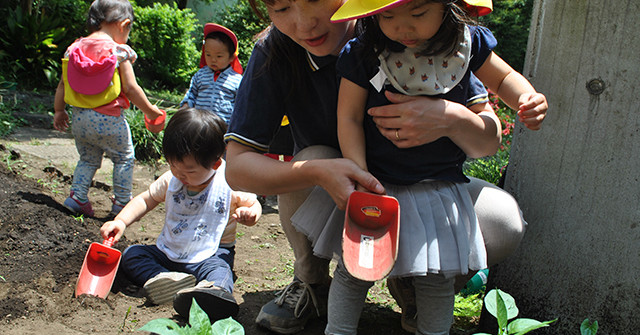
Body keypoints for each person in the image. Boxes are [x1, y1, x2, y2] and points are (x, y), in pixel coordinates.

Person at [224, 0, 546, 333]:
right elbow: (237, 167)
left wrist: (451, 118)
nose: (305, 24)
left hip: (432, 181)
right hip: (357, 182)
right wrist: (322, 172)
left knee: (499, 225)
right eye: (282, 8)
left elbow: (487, 139)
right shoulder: (299, 50)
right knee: (313, 161)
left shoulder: (433, 36)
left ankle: (412, 285)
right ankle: (311, 280)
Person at [99, 108, 262, 322]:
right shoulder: (172, 180)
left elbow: (253, 203)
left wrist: (250, 214)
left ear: (215, 163)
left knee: (221, 272)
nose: (179, 174)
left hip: (210, 255)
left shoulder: (229, 182)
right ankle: (164, 279)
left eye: (188, 171)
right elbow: (146, 199)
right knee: (132, 255)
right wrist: (121, 221)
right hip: (168, 253)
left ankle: (212, 292)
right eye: (172, 165)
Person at [53, 0, 165, 217]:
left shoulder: (73, 49)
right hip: (109, 119)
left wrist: (59, 111)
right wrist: (150, 110)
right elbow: (131, 89)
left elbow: (62, 84)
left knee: (87, 159)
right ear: (123, 25)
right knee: (123, 158)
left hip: (80, 120)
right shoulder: (118, 51)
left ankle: (77, 197)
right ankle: (122, 203)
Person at [180, 23, 243, 124]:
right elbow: (191, 94)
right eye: (208, 54)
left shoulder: (237, 80)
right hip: (199, 125)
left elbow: (241, 105)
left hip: (223, 129)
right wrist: (185, 107)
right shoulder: (200, 75)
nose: (213, 60)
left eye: (219, 56)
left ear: (231, 57)